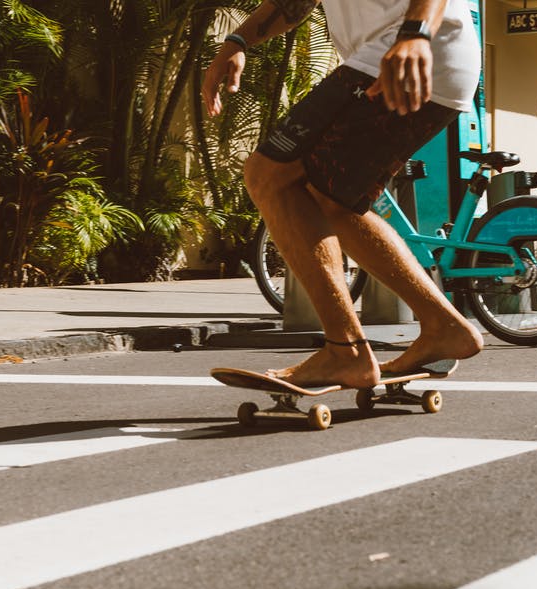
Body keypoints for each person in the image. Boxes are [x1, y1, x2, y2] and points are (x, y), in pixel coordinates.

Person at [202, 0, 484, 389]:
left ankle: (345, 351)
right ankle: (442, 326)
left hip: (408, 51)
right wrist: (236, 41)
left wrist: (415, 34)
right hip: (417, 57)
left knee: (269, 175)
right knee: (331, 202)